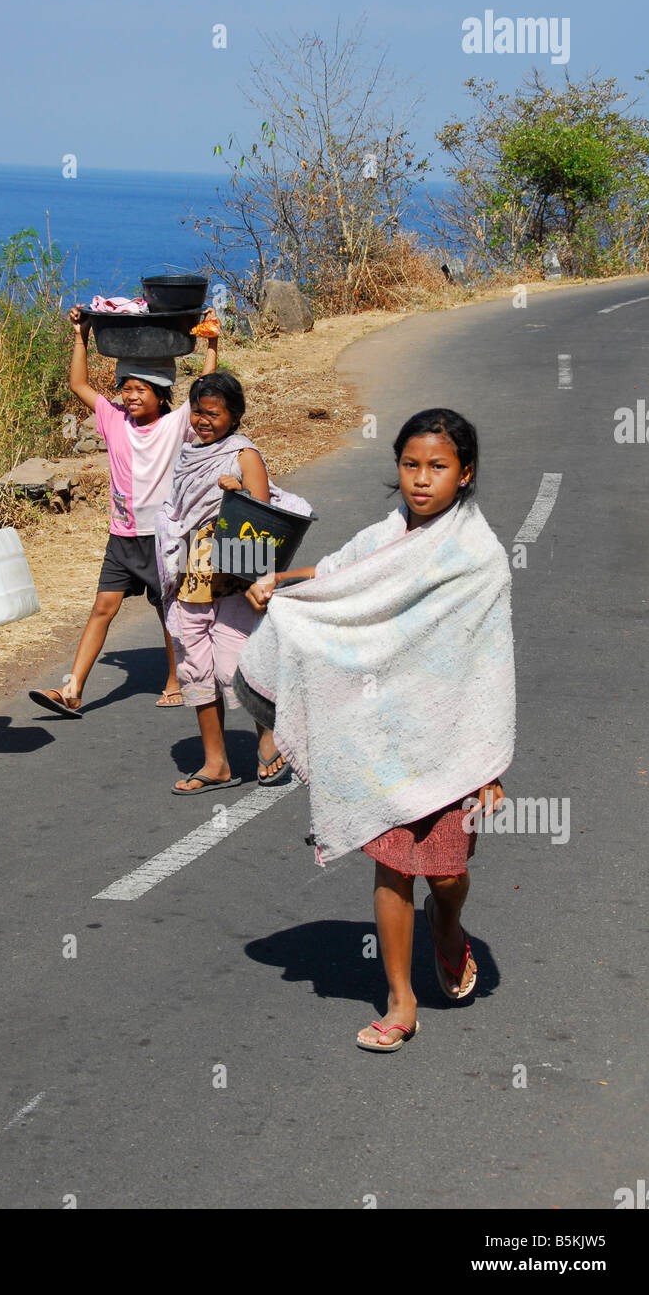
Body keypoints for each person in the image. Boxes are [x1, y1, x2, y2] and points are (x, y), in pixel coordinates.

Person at [236, 409, 515, 1051]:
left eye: (438, 467)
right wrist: (284, 583)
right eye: (410, 465)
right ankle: (399, 998)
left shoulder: (479, 559)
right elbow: (341, 578)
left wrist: (490, 765)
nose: (422, 480)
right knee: (392, 869)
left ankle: (447, 927)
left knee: (444, 875)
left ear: (464, 474)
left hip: (447, 741)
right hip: (376, 734)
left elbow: (489, 666)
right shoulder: (385, 536)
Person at [28, 308, 206, 718]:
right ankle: (71, 690)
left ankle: (176, 678)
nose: (131, 396)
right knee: (102, 608)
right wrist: (81, 335)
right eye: (125, 388)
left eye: (141, 389)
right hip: (122, 537)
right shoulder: (113, 419)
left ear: (162, 395)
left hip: (163, 536)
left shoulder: (177, 423)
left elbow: (202, 389)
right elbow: (78, 384)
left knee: (169, 610)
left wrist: (210, 342)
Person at [155, 371, 313, 793]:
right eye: (198, 411)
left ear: (235, 415)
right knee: (194, 671)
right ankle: (215, 764)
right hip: (192, 578)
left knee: (236, 668)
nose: (203, 420)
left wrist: (237, 490)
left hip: (234, 579)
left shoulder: (244, 455)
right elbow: (179, 511)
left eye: (214, 413)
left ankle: (269, 737)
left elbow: (260, 523)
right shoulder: (188, 453)